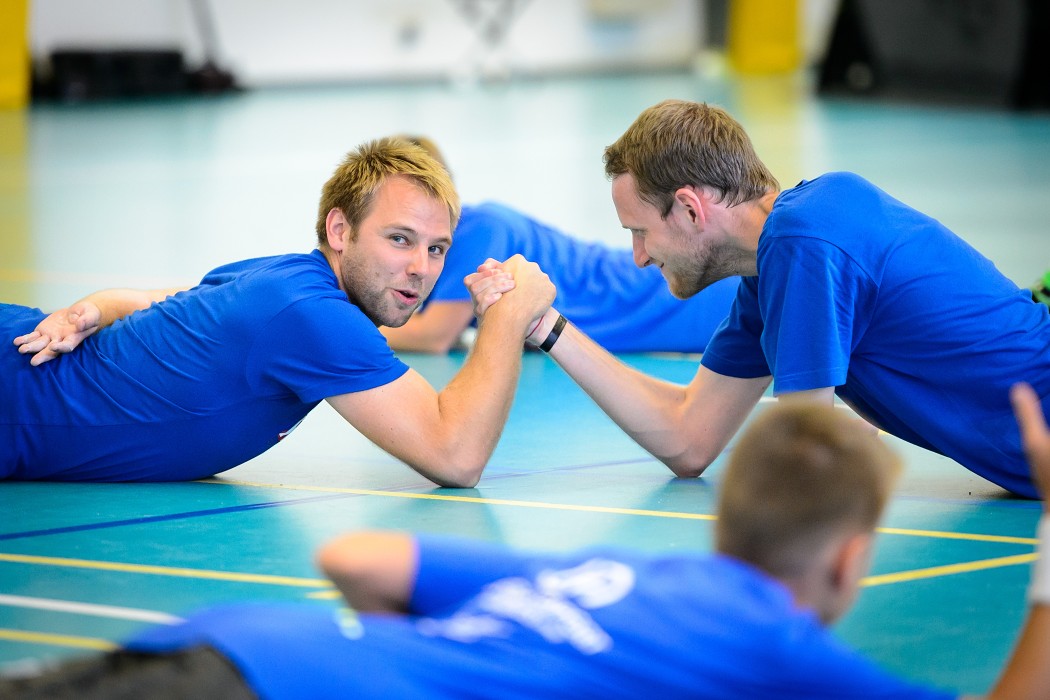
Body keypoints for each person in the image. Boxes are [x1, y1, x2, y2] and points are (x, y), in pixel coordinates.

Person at [5, 392, 1050, 698]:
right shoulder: (772, 642)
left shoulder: (612, 574)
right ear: (847, 562)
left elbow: (361, 560)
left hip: (230, 642)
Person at [469, 99, 1050, 499]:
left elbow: (804, 454)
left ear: (692, 209)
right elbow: (689, 438)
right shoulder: (769, 272)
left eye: (639, 231)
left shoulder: (806, 238)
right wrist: (545, 327)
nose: (639, 257)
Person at [1, 137, 554, 487]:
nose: (421, 268)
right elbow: (455, 457)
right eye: (400, 239)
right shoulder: (311, 314)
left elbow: (153, 304)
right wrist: (507, 318)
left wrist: (86, 310)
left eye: (436, 249)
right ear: (340, 231)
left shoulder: (284, 276)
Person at [379, 135, 740, 354]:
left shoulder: (478, 229)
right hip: (641, 296)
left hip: (656, 294)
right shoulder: (462, 231)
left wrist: (349, 328)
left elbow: (433, 337)